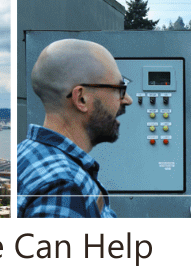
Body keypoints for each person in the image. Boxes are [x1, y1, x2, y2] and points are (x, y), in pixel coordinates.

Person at [18, 38, 132, 218]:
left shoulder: (25, 154)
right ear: (81, 99)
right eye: (120, 89)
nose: (127, 100)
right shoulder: (64, 187)